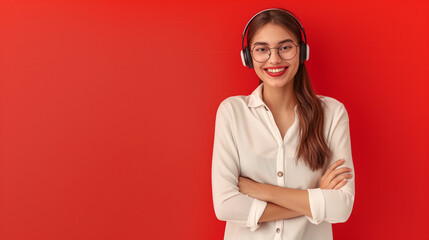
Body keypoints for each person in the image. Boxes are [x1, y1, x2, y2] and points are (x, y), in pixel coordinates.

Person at [211, 8, 355, 240]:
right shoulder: (232, 112)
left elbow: (340, 208)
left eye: (285, 47)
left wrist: (260, 190)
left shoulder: (332, 114)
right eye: (262, 50)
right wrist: (316, 199)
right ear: (248, 57)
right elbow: (226, 206)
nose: (275, 59)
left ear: (302, 52)